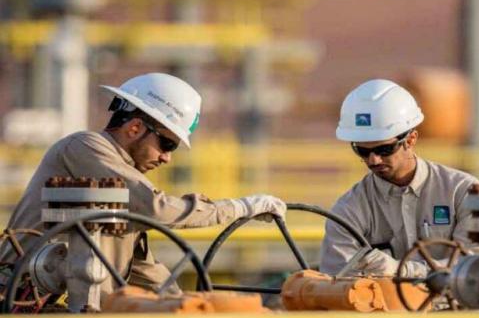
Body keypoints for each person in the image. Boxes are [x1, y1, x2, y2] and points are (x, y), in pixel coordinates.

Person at [0, 72, 287, 295]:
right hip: (27, 312)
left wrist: (188, 309)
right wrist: (240, 208)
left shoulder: (115, 189)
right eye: (167, 143)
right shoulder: (85, 147)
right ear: (135, 127)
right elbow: (156, 209)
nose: (166, 158)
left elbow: (139, 267)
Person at [320, 78, 479, 278]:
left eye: (384, 149)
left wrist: (402, 271)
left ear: (411, 139)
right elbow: (335, 282)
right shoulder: (348, 210)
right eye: (361, 150)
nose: (373, 160)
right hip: (382, 309)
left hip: (453, 308)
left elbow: (473, 268)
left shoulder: (463, 191)